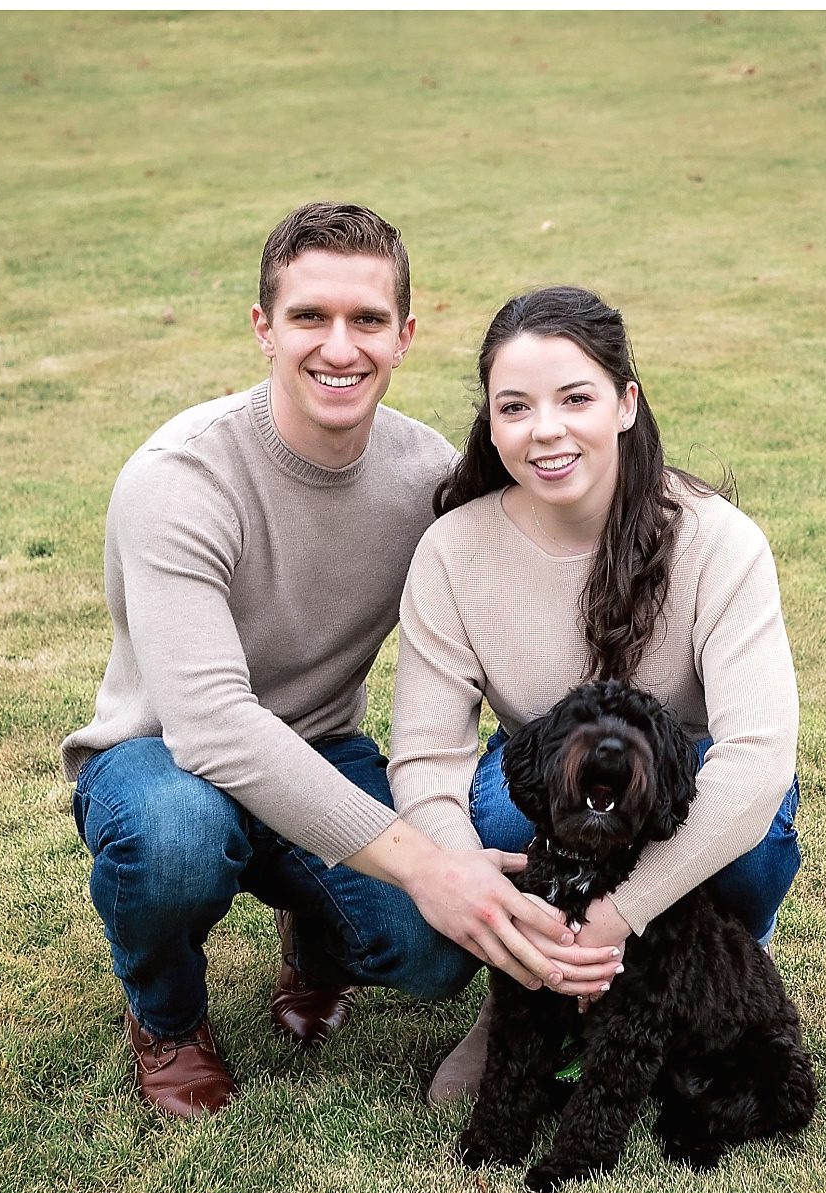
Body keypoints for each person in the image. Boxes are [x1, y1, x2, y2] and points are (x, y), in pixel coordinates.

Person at [60, 207, 621, 1119]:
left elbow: (539, 546)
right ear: (262, 329)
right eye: (309, 317)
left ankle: (313, 939)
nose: (339, 346)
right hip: (159, 758)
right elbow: (213, 727)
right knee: (176, 840)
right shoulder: (179, 478)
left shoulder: (427, 476)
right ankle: (166, 1020)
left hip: (320, 748)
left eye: (366, 321)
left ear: (404, 337)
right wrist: (428, 864)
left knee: (437, 949)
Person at [387, 285, 803, 1102]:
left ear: (624, 403)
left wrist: (624, 913)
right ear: (491, 422)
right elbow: (427, 758)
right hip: (559, 807)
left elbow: (756, 762)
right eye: (515, 407)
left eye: (575, 398)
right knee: (510, 811)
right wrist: (484, 897)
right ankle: (529, 991)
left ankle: (716, 970)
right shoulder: (452, 553)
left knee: (749, 834)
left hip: (684, 790)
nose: (546, 430)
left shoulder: (719, 542)